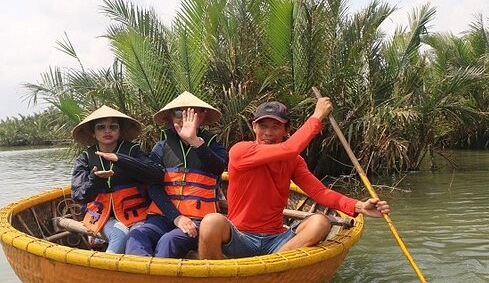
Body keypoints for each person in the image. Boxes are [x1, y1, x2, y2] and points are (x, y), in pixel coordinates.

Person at [198, 97, 390, 259]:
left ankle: (273, 266)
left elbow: (319, 192)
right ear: (254, 127)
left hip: (277, 241)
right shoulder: (241, 151)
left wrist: (359, 206)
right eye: (263, 126)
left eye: (276, 127)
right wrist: (317, 116)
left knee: (321, 222)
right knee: (211, 222)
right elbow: (290, 148)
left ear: (286, 130)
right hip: (241, 237)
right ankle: (216, 277)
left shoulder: (293, 161)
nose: (268, 132)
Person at [125, 91, 228, 258]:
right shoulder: (161, 147)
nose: (184, 118)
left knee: (168, 241)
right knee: (137, 235)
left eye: (191, 113)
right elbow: (154, 186)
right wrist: (177, 218)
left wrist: (194, 141)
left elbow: (217, 168)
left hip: (198, 220)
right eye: (179, 113)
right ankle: (141, 281)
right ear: (170, 118)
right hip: (165, 216)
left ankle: (160, 282)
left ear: (202, 116)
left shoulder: (214, 146)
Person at [71, 105, 164, 253]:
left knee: (137, 235)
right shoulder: (86, 158)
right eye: (101, 127)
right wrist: (94, 179)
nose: (107, 131)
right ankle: (106, 272)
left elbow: (156, 175)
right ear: (93, 133)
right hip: (101, 216)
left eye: (113, 127)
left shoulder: (133, 151)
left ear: (119, 131)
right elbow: (79, 195)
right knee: (120, 234)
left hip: (136, 213)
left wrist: (121, 160)